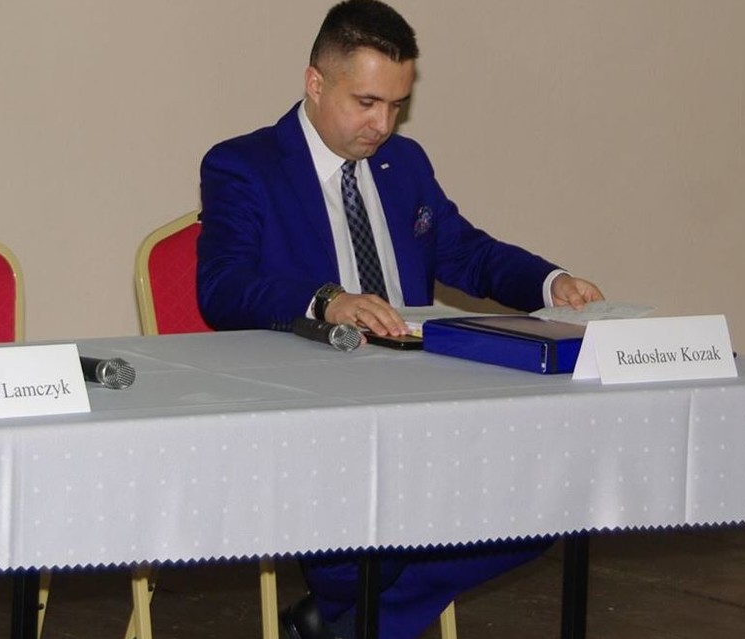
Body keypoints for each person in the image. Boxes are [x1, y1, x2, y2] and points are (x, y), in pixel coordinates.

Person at [197, 1, 604, 637]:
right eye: (366, 102)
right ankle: (347, 614)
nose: (382, 124)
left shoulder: (403, 164)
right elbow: (223, 286)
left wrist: (551, 283)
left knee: (545, 508)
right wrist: (326, 299)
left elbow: (466, 253)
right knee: (363, 551)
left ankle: (343, 624)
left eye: (396, 105)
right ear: (315, 83)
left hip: (422, 406)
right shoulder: (244, 165)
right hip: (319, 415)